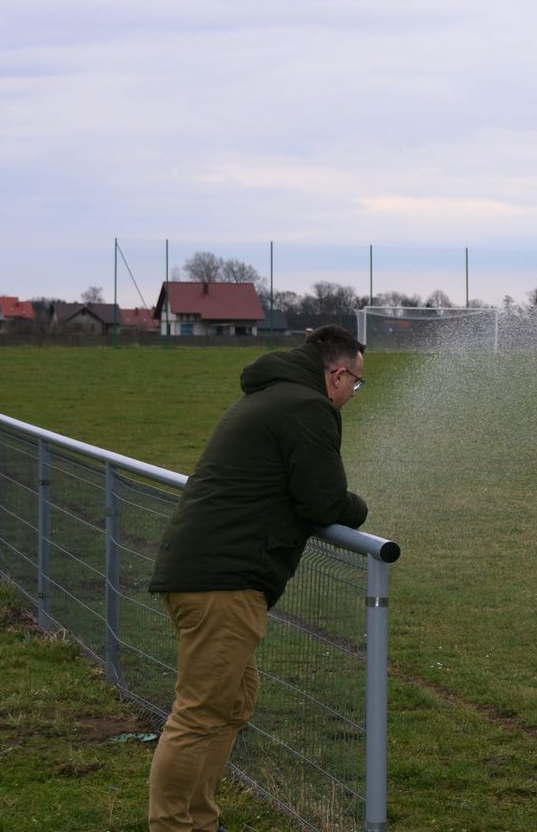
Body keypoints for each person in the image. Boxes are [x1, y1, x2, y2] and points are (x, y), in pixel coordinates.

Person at [147, 325, 369, 832]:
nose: (352, 395)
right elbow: (325, 502)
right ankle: (174, 826)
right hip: (224, 581)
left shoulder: (272, 395)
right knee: (200, 714)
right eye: (355, 384)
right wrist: (362, 506)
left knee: (232, 703)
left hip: (209, 573)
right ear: (336, 374)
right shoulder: (308, 408)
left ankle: (200, 819)